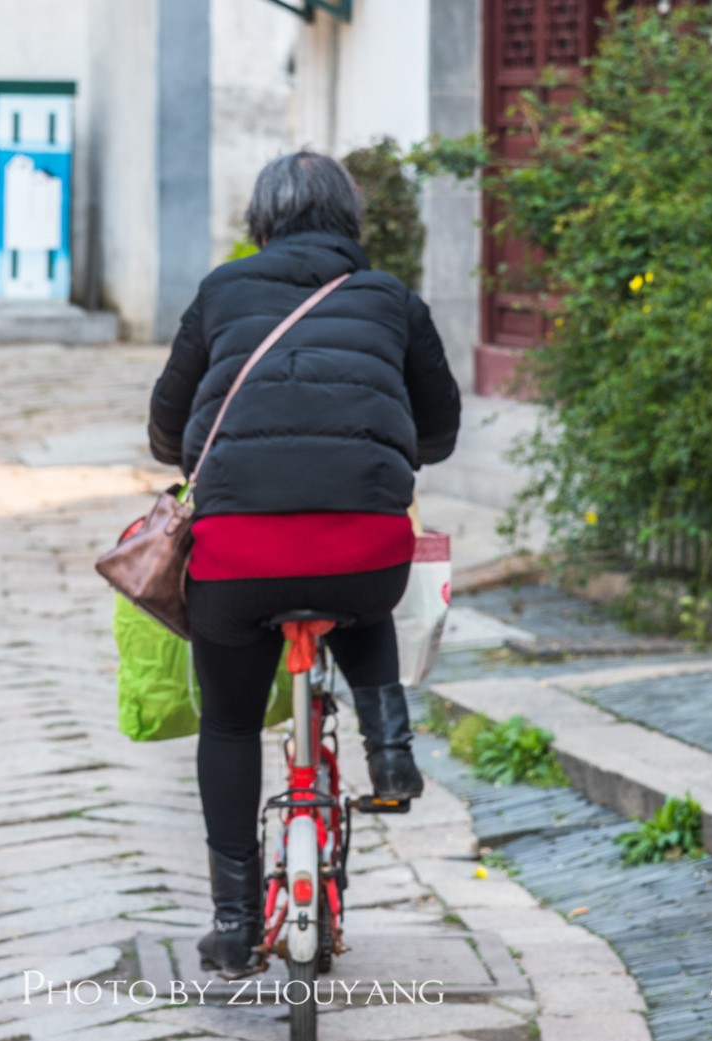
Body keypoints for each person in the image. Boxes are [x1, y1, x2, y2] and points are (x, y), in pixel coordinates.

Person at [147, 151, 461, 978]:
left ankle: (233, 919)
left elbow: (166, 427)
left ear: (261, 225)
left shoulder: (221, 291)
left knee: (229, 722)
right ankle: (389, 745)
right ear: (352, 223)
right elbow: (442, 429)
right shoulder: (391, 299)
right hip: (363, 553)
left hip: (236, 558)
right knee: (361, 576)